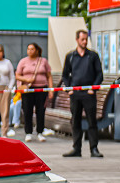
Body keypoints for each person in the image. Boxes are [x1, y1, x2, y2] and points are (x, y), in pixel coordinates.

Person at [60, 29, 104, 158]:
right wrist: (69, 88)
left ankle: (94, 148)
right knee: (75, 121)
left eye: (86, 39)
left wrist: (93, 88)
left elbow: (99, 74)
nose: (84, 42)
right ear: (77, 40)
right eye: (82, 39)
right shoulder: (71, 56)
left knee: (92, 121)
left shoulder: (93, 56)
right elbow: (65, 75)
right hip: (75, 93)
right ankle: (76, 148)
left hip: (89, 93)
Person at [15, 42, 53, 142]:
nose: (30, 51)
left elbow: (49, 76)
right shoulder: (23, 61)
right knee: (27, 110)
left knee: (41, 111)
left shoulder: (43, 61)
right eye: (28, 49)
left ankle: (40, 132)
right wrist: (26, 80)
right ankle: (28, 133)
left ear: (36, 50)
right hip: (27, 90)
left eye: (32, 49)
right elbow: (17, 75)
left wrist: (51, 89)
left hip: (41, 89)